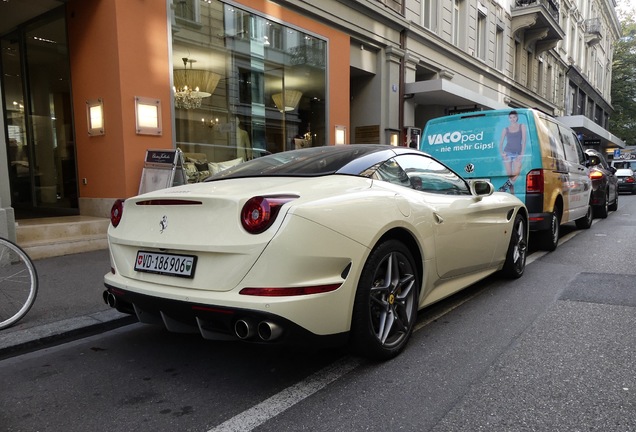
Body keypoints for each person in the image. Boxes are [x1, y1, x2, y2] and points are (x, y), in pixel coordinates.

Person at [498, 110, 526, 193]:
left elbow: (524, 141)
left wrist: (522, 154)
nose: (512, 119)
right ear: (509, 119)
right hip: (507, 153)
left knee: (516, 173)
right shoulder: (505, 129)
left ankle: (503, 188)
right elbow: (501, 143)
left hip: (518, 153)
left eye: (514, 117)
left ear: (517, 117)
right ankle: (512, 194)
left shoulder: (522, 126)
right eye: (510, 117)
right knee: (510, 176)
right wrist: (502, 153)